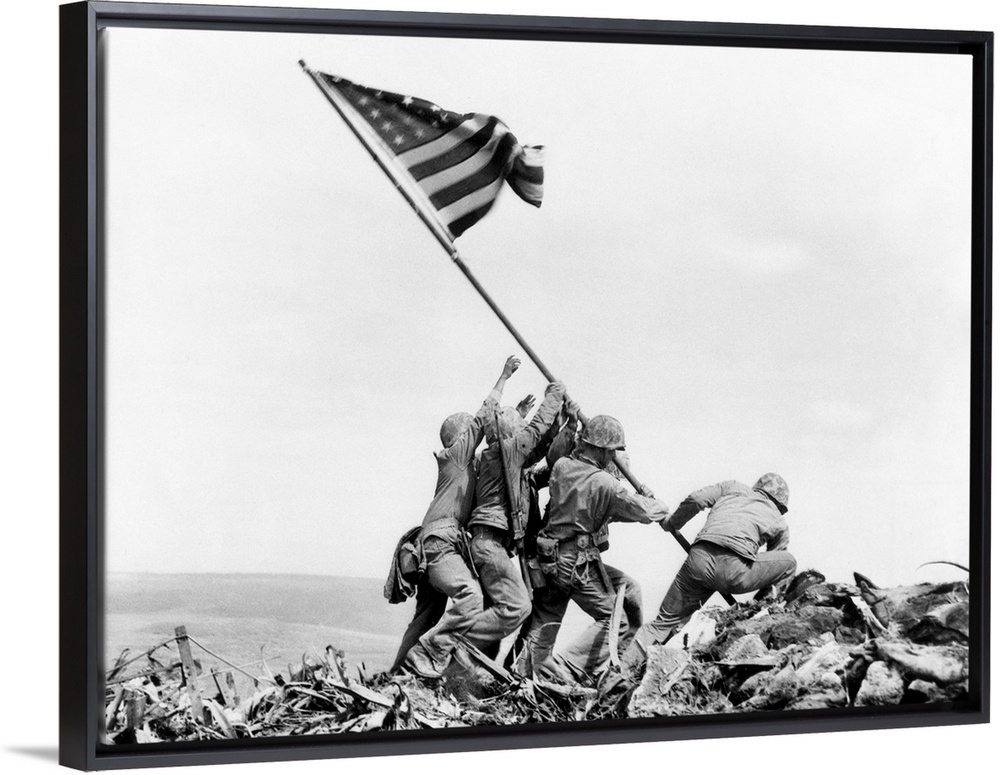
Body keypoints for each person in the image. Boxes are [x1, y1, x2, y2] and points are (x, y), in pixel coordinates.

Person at [519, 415, 671, 682]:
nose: (613, 456)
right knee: (615, 620)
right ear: (601, 449)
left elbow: (607, 509)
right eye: (611, 451)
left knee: (547, 617)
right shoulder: (606, 483)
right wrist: (655, 502)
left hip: (549, 558)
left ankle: (526, 674)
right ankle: (565, 671)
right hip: (575, 563)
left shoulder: (563, 467)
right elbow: (645, 512)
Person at [397, 355, 520, 678]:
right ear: (460, 437)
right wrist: (503, 377)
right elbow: (482, 421)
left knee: (426, 616)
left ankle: (398, 675)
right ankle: (430, 655)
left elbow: (497, 442)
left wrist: (516, 415)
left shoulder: (463, 466)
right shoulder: (454, 457)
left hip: (434, 545)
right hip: (440, 545)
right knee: (470, 596)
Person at [622, 473, 796, 673]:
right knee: (789, 562)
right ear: (780, 504)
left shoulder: (732, 487)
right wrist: (758, 605)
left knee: (662, 623)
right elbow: (772, 574)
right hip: (735, 572)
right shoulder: (779, 522)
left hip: (698, 562)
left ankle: (622, 671)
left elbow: (696, 499)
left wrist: (672, 523)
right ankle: (763, 612)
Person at [459, 379, 568, 658]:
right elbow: (535, 432)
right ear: (511, 435)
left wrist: (563, 425)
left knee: (494, 612)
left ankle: (473, 667)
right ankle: (453, 645)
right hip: (489, 544)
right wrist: (554, 396)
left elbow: (539, 448)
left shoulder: (505, 460)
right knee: (517, 607)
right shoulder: (505, 453)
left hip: (492, 545)